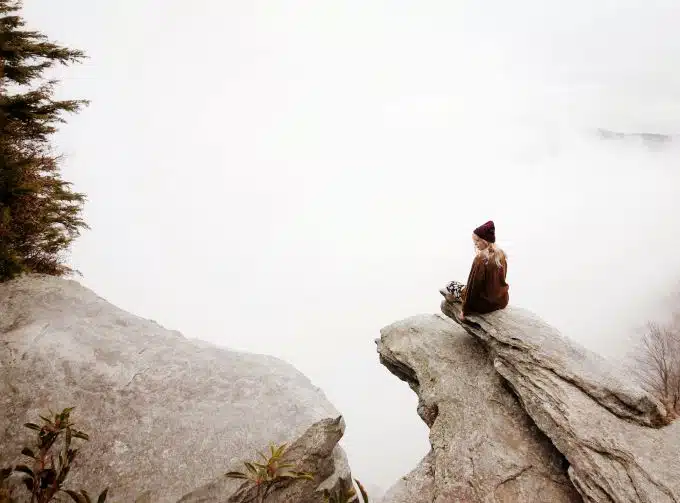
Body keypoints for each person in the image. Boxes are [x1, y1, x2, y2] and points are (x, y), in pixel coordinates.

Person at [439, 220, 509, 320]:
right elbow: (502, 280)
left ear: (485, 241)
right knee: (467, 287)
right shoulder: (501, 255)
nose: (475, 244)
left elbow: (474, 287)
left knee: (451, 284)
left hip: (483, 305)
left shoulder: (480, 259)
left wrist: (465, 310)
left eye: (477, 241)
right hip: (501, 301)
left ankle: (457, 297)